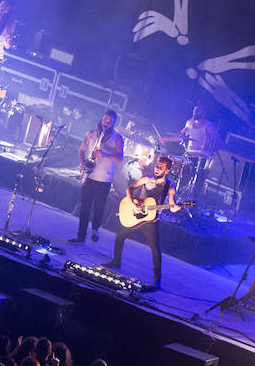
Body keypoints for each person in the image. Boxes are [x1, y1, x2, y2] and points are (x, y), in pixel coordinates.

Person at [102, 155, 179, 288]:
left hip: (151, 219)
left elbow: (172, 207)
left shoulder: (170, 187)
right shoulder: (146, 179)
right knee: (120, 236)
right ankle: (116, 261)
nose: (157, 169)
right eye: (157, 166)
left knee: (155, 248)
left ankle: (157, 279)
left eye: (161, 168)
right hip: (136, 213)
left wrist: (176, 208)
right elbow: (130, 188)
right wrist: (132, 204)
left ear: (167, 171)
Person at [73, 110, 124, 243]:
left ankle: (95, 229)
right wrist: (83, 163)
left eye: (109, 121)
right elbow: (82, 149)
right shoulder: (91, 133)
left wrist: (105, 155)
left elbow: (120, 158)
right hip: (89, 176)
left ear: (113, 123)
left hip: (104, 179)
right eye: (104, 120)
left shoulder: (117, 138)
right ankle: (80, 236)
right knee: (84, 207)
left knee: (98, 207)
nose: (106, 123)